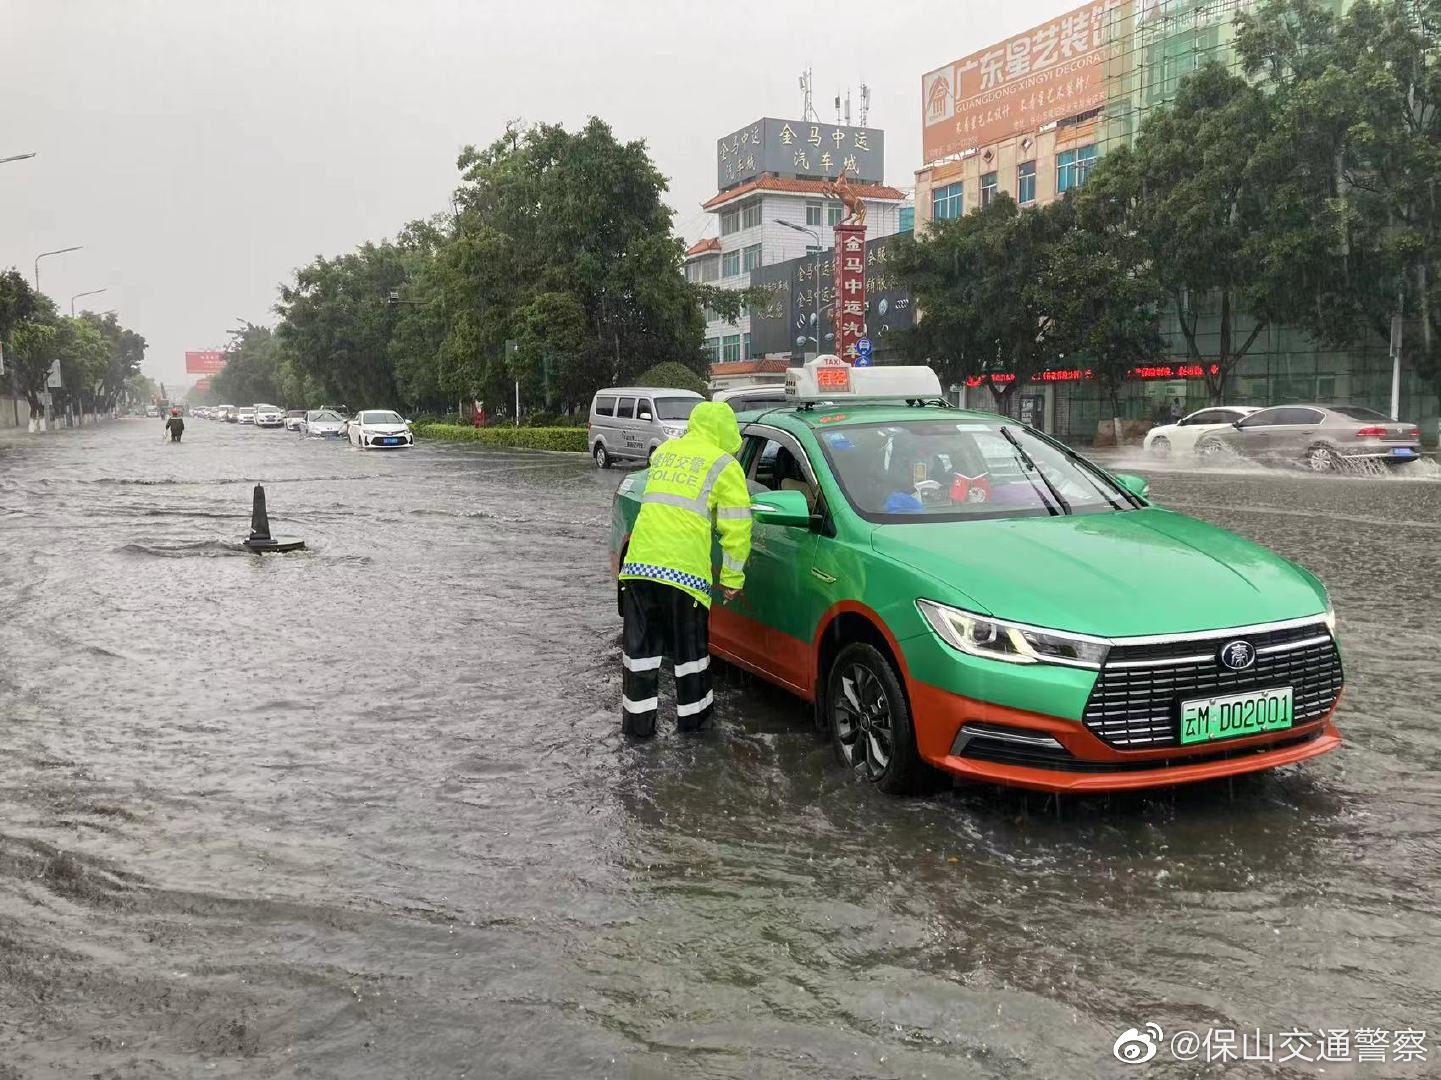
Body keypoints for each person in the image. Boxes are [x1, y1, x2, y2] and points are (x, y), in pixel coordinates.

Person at [617, 401, 752, 737]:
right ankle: (695, 736)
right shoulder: (725, 466)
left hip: (638, 569)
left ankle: (637, 733)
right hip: (683, 575)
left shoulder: (665, 453)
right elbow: (737, 528)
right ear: (726, 432)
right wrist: (732, 579)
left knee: (641, 657)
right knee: (690, 660)